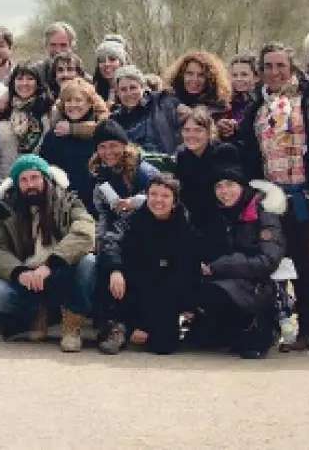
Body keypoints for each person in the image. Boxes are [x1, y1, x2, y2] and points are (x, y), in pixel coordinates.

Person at [235, 42, 309, 357]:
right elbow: (250, 152)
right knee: (297, 264)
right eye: (268, 66)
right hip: (276, 197)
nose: (275, 72)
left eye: (280, 65)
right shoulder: (257, 105)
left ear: (292, 66)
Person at [0, 154, 96, 352]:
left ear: (46, 178)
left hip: (61, 270)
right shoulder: (7, 209)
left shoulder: (68, 201)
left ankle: (72, 324)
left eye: (35, 177)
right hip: (28, 277)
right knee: (0, 294)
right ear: (17, 184)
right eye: (24, 180)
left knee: (88, 262)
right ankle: (37, 314)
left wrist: (52, 264)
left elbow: (85, 231)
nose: (30, 185)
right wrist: (19, 272)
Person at [188, 160, 286, 359]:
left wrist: (220, 266)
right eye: (219, 186)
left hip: (257, 286)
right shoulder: (217, 213)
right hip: (225, 280)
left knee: (217, 295)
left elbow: (268, 261)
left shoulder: (263, 212)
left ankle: (259, 326)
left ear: (242, 186)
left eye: (230, 184)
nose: (224, 191)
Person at [97, 174, 198, 355]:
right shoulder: (132, 219)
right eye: (153, 194)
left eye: (165, 196)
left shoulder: (185, 227)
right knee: (106, 268)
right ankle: (117, 327)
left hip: (166, 290)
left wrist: (147, 324)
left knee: (163, 346)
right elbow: (111, 242)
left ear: (174, 202)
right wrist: (115, 269)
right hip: (132, 285)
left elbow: (183, 273)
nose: (158, 200)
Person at [88, 119, 160, 251]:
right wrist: (99, 241)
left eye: (113, 145)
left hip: (150, 236)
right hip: (117, 237)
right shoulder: (101, 174)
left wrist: (134, 202)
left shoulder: (143, 171)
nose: (108, 152)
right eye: (102, 147)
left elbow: (164, 200)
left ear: (124, 145)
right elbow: (104, 213)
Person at [38, 79, 108, 212]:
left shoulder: (103, 133)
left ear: (90, 103)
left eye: (78, 100)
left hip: (98, 204)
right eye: (68, 101)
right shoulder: (54, 135)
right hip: (64, 204)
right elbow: (46, 169)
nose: (73, 105)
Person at [174, 109, 240, 229]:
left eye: (198, 130)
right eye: (187, 130)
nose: (191, 135)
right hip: (196, 221)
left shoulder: (225, 152)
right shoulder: (182, 156)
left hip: (225, 220)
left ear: (209, 132)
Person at [109, 64, 183, 155]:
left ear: (142, 87)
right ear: (117, 93)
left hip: (169, 159)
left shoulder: (162, 102)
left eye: (133, 87)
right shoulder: (114, 120)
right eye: (123, 89)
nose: (129, 93)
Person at [0, 63, 53, 177]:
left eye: (30, 79)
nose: (24, 83)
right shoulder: (2, 109)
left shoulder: (49, 110)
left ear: (38, 82)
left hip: (38, 179)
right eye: (19, 79)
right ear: (13, 82)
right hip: (7, 178)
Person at [162, 50, 231, 118]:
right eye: (189, 73)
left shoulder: (220, 108)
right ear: (181, 75)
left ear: (210, 78)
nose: (195, 79)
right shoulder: (167, 101)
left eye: (201, 75)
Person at [221, 54, 260, 140]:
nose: (238, 79)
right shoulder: (225, 102)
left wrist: (237, 127)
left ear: (256, 77)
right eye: (234, 75)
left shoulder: (260, 102)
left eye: (244, 75)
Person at [92, 35, 128, 104]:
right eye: (102, 60)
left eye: (112, 59)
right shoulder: (93, 89)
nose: (107, 64)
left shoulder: (133, 89)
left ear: (122, 63)